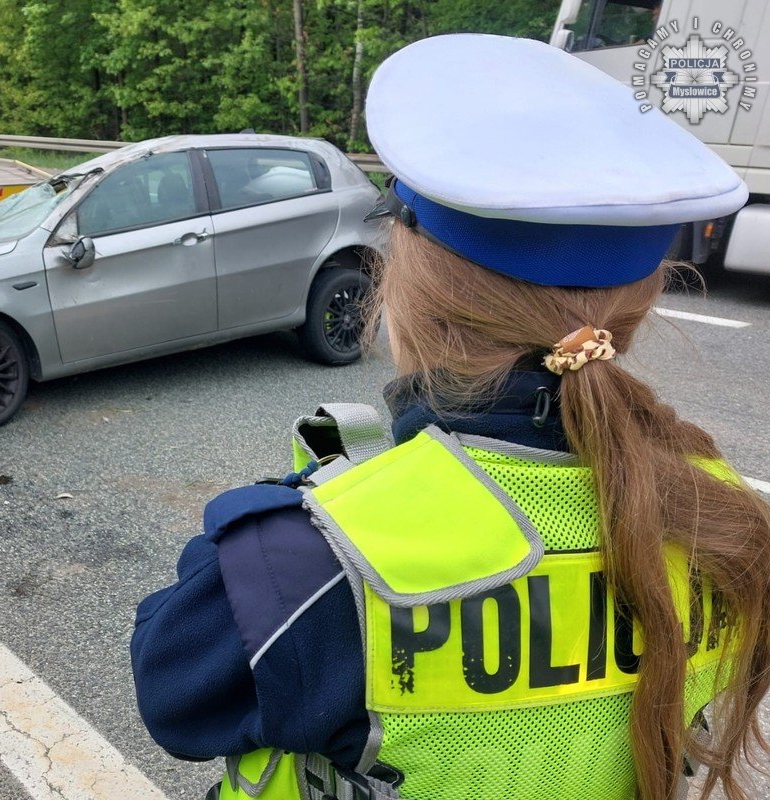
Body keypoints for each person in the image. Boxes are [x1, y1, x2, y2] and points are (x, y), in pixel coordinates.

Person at [131, 34, 770, 800]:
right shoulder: (725, 518)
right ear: (639, 302)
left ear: (413, 286)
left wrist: (317, 500)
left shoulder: (316, 559)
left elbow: (171, 693)